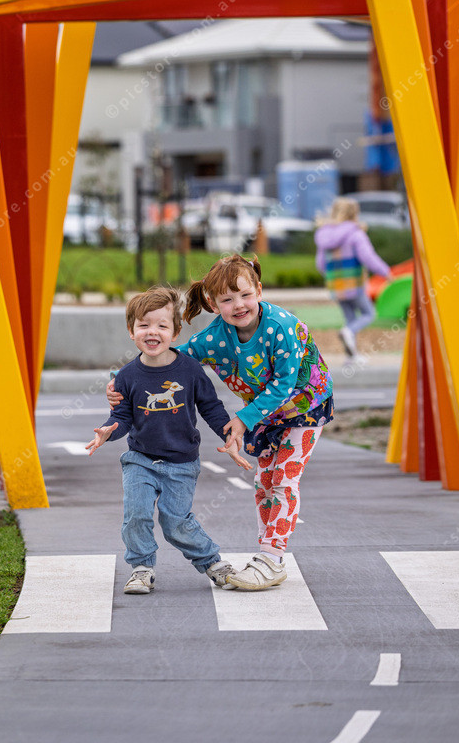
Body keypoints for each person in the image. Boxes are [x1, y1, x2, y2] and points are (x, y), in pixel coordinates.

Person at [107, 255, 333, 592]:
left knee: (284, 479)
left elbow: (283, 385)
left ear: (259, 290)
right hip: (263, 413)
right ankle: (268, 553)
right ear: (213, 304)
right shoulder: (216, 337)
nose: (238, 305)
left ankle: (271, 558)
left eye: (245, 295)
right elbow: (172, 358)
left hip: (305, 407)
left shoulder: (281, 326)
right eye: (227, 300)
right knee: (264, 482)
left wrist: (242, 420)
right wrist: (122, 380)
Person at [86, 285, 251, 596]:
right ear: (131, 331)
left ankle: (212, 562)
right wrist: (107, 432)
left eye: (162, 325)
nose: (152, 332)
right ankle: (141, 568)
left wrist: (228, 435)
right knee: (136, 515)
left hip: (182, 462)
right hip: (140, 460)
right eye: (143, 325)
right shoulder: (126, 376)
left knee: (175, 523)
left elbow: (211, 407)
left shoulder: (190, 370)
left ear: (175, 333)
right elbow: (121, 417)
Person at [314, 197, 391, 359]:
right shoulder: (356, 234)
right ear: (354, 213)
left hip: (336, 284)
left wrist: (332, 276)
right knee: (368, 313)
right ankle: (349, 332)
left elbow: (320, 264)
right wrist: (385, 272)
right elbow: (368, 257)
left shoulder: (324, 234)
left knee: (350, 317)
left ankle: (352, 357)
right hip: (354, 282)